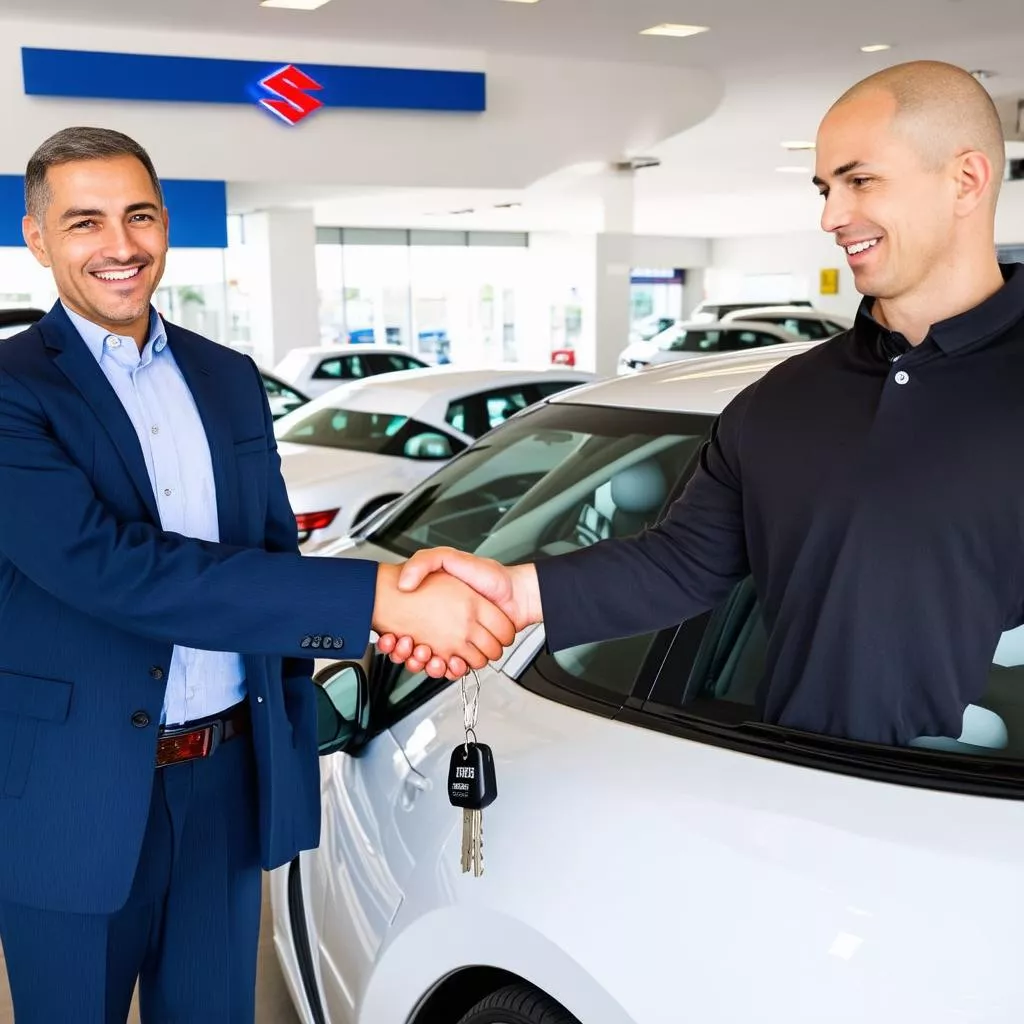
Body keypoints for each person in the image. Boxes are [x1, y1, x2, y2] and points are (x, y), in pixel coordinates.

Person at [0, 127, 514, 1023]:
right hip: (69, 790)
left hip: (227, 781)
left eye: (140, 216)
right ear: (37, 237)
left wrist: (378, 619)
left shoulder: (228, 378)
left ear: (166, 226)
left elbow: (267, 559)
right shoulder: (10, 389)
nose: (120, 246)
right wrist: (376, 598)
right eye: (85, 222)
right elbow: (111, 570)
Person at [380, 60, 1024, 749]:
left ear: (966, 180)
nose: (832, 216)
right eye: (825, 188)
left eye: (860, 180)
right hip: (791, 804)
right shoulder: (781, 401)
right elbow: (681, 564)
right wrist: (514, 594)